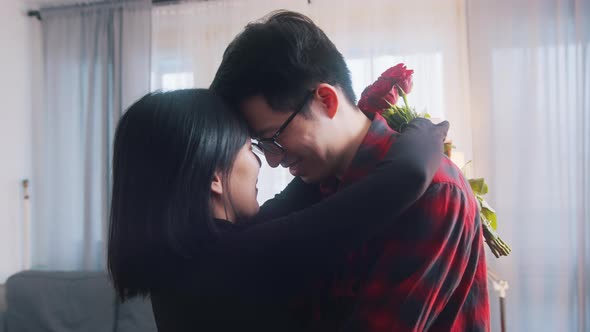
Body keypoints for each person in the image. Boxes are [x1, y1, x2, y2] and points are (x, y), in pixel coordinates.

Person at [211, 10, 491, 332]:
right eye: (261, 146)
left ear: (326, 100)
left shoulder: (435, 192)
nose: (273, 161)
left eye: (275, 136)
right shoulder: (320, 189)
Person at [107, 89, 448, 331]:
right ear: (213, 177)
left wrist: (359, 111)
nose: (262, 163)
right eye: (248, 148)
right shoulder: (240, 259)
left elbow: (301, 195)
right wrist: (425, 129)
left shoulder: (182, 265)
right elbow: (406, 176)